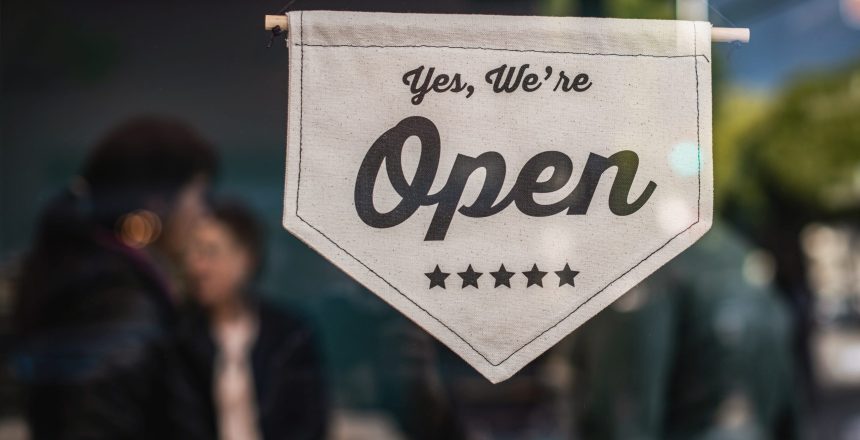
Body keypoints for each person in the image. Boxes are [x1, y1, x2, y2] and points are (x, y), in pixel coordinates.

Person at [12, 116, 218, 439]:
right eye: (198, 195)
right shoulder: (119, 305)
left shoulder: (94, 280)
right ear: (158, 201)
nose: (204, 213)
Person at [179, 199, 328, 440]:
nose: (198, 266)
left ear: (245, 258)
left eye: (210, 253)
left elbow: (310, 424)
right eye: (193, 253)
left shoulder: (290, 335)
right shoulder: (180, 334)